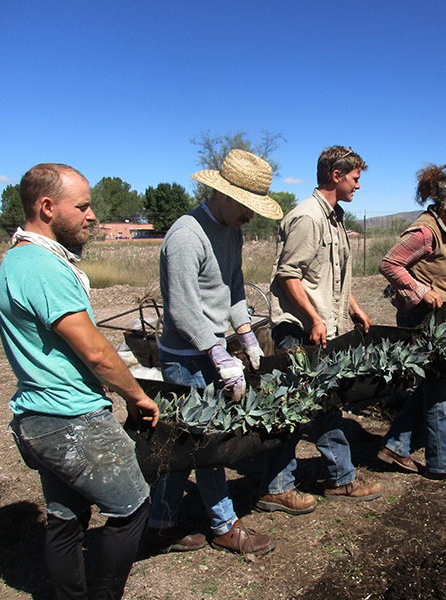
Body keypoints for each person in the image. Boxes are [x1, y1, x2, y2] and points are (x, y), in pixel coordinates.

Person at [0, 163, 160, 600]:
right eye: (83, 207)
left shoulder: (17, 259)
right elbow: (94, 351)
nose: (92, 217)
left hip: (37, 416)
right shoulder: (43, 268)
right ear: (48, 207)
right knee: (132, 507)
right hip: (70, 418)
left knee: (67, 517)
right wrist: (138, 395)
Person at [145, 149, 279, 555]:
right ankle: (224, 525)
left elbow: (234, 288)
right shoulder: (186, 235)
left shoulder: (231, 230)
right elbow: (183, 310)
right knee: (208, 444)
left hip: (211, 348)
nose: (250, 216)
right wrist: (218, 354)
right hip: (186, 358)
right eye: (247, 206)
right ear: (223, 194)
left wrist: (247, 335)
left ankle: (161, 523)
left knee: (179, 444)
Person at [256, 145, 382, 515]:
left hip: (322, 326)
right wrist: (314, 319)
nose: (359, 185)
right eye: (355, 178)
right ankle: (276, 487)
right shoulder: (309, 218)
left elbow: (332, 277)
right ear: (335, 176)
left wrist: (353, 308)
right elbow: (288, 275)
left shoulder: (334, 218)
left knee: (326, 404)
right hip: (300, 330)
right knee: (293, 408)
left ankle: (340, 478)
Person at [376, 165, 446, 483]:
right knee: (436, 389)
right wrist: (422, 290)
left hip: (438, 318)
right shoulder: (425, 231)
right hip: (417, 319)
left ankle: (396, 446)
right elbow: (389, 263)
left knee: (430, 386)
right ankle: (442, 462)